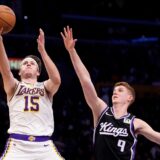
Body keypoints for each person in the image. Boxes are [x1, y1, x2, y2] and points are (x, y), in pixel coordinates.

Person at [61, 26, 160, 160]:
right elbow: (85, 81)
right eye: (114, 90)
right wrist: (72, 51)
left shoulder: (136, 123)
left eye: (120, 90)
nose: (115, 92)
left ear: (129, 98)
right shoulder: (101, 111)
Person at [0, 28, 64, 160]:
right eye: (25, 63)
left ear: (38, 72)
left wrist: (42, 51)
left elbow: (57, 80)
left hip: (44, 146)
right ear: (19, 71)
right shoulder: (14, 86)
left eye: (32, 63)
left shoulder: (45, 87)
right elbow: (5, 70)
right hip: (18, 146)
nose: (28, 64)